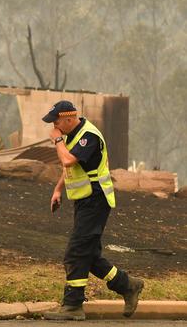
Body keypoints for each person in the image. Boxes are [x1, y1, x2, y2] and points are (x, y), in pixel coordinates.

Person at [41, 100, 144, 321]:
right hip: (84, 200)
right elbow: (71, 167)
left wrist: (57, 139)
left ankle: (72, 306)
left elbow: (67, 160)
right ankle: (129, 285)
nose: (55, 127)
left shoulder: (89, 136)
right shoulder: (73, 134)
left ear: (69, 119)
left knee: (76, 251)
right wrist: (58, 190)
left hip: (96, 200)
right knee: (89, 255)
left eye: (56, 122)